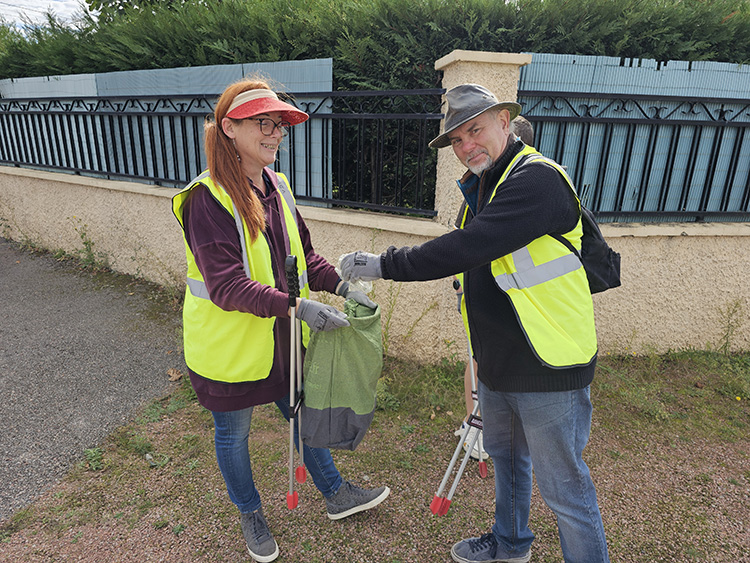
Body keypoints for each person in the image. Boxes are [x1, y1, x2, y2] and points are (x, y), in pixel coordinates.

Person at [339, 83, 609, 563]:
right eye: (458, 140)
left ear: (505, 121)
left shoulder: (537, 181)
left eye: (476, 131)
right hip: (500, 362)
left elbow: (466, 247)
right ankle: (510, 545)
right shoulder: (486, 183)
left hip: (550, 364)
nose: (467, 146)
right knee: (507, 465)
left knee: (565, 490)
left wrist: (382, 263)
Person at [172, 77, 389, 563]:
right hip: (228, 348)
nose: (274, 134)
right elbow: (226, 285)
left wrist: (340, 284)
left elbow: (304, 256)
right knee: (234, 433)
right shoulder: (206, 199)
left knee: (303, 415)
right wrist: (300, 307)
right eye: (262, 124)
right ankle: (250, 512)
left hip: (282, 337)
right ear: (229, 128)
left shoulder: (278, 185)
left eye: (279, 126)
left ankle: (334, 493)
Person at [454, 114, 534, 461]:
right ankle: (474, 427)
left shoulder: (526, 186)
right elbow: (460, 241)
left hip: (511, 301)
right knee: (477, 356)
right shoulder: (480, 186)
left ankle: (492, 429)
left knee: (495, 361)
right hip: (478, 295)